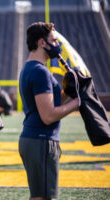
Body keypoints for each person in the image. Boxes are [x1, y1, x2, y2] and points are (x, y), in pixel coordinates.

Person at [18, 22, 79, 200]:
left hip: (35, 140)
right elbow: (48, 116)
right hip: (41, 140)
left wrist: (67, 93)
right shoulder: (40, 71)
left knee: (39, 196)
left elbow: (46, 106)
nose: (57, 44)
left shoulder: (31, 68)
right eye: (53, 40)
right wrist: (77, 102)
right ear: (41, 43)